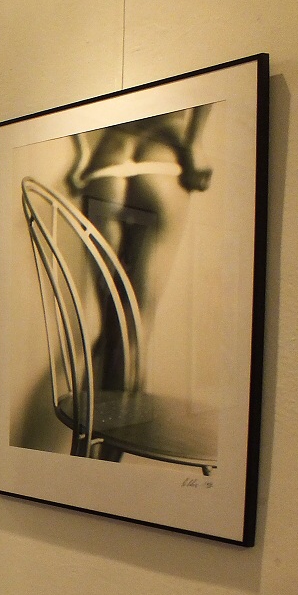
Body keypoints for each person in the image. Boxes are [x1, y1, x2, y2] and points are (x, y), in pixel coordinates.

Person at [65, 105, 213, 459]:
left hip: (106, 163)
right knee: (133, 331)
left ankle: (82, 458)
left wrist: (82, 153)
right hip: (162, 156)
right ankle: (105, 472)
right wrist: (194, 143)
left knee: (113, 327)